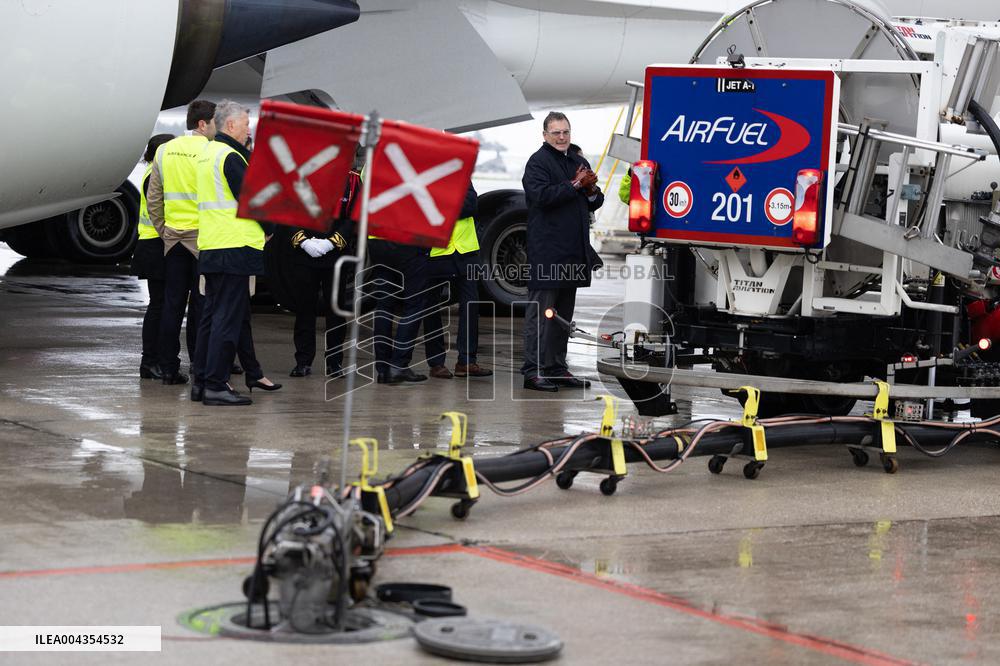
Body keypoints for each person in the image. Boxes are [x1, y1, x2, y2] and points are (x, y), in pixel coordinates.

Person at [193, 100, 281, 406]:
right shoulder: (231, 157)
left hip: (213, 246)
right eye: (245, 123)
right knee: (227, 321)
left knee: (210, 317)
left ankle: (202, 381)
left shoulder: (207, 154)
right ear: (230, 126)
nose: (249, 128)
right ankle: (217, 384)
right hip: (235, 247)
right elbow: (251, 200)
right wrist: (270, 228)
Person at [520, 112, 604, 392]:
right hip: (547, 253)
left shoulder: (578, 161)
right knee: (540, 314)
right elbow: (541, 197)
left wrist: (590, 189)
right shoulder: (537, 162)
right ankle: (533, 371)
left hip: (572, 252)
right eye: (556, 132)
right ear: (545, 135)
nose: (562, 137)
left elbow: (595, 200)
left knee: (562, 317)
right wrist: (575, 185)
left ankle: (556, 368)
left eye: (565, 132)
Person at [148, 100, 216, 385]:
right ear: (203, 124)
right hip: (202, 242)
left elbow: (154, 198)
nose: (216, 128)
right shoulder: (212, 151)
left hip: (174, 241)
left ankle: (167, 368)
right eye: (214, 123)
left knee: (172, 306)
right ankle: (199, 367)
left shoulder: (164, 151)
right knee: (201, 308)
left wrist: (165, 231)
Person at [286, 167, 360, 378]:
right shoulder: (299, 176)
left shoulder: (352, 180)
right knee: (304, 309)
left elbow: (353, 217)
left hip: (335, 254)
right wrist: (303, 242)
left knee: (336, 310)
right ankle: (303, 361)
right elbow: (288, 211)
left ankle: (334, 362)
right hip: (304, 252)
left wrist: (331, 243)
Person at [422, 182, 493, 379]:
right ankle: (436, 363)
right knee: (431, 307)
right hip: (436, 249)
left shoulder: (462, 172)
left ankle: (467, 361)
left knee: (471, 305)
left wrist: (443, 205)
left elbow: (471, 205)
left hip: (466, 250)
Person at [132, 133, 175, 380]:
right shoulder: (154, 177)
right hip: (155, 245)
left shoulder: (151, 172)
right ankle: (150, 361)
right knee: (159, 306)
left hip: (153, 244)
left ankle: (152, 360)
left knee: (160, 305)